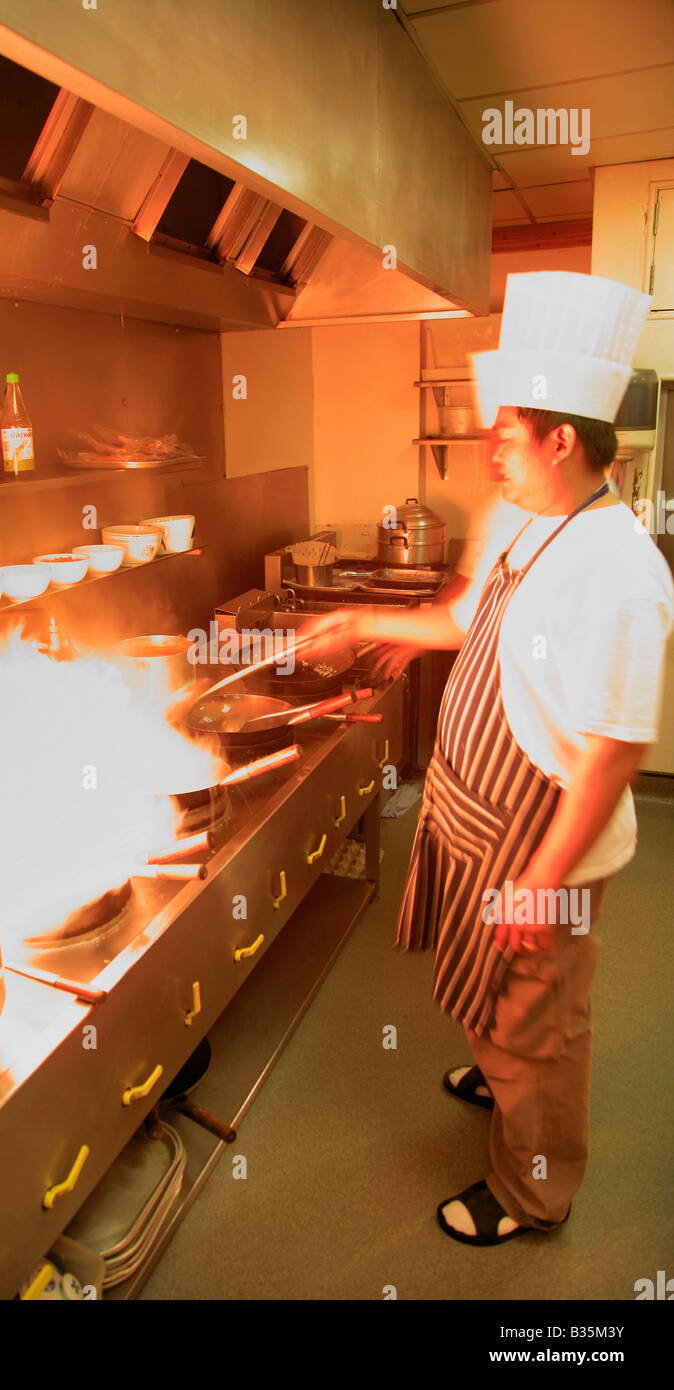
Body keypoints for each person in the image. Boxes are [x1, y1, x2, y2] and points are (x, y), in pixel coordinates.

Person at [305, 271, 674, 1246]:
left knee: (542, 1032)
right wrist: (357, 619)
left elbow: (610, 755)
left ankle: (531, 1192)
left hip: (543, 843)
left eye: (503, 433)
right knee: (500, 1004)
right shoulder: (525, 518)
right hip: (480, 820)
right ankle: (497, 1067)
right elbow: (460, 619)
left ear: (561, 439)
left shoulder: (622, 573)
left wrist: (542, 878)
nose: (486, 449)